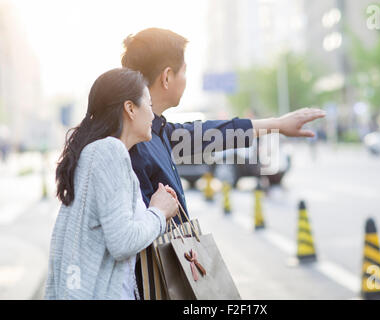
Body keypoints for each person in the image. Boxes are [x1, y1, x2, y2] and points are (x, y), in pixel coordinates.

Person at [121, 28, 327, 220]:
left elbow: (213, 133)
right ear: (166, 77)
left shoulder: (158, 130)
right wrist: (158, 215)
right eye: (184, 72)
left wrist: (278, 125)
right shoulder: (133, 142)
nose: (186, 79)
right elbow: (132, 236)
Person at [45, 68, 179, 300]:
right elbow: (123, 241)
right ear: (130, 108)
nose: (152, 116)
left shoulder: (98, 153)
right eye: (148, 105)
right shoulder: (109, 151)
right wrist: (159, 212)